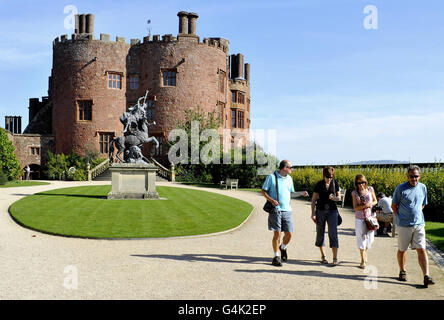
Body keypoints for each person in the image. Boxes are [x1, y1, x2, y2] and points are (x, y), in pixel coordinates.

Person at [391, 165, 435, 288]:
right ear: (407, 176)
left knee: (422, 249)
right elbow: (394, 205)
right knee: (402, 249)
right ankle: (402, 271)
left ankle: (426, 276)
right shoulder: (400, 188)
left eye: (416, 176)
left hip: (419, 224)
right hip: (404, 225)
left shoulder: (423, 187)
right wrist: (401, 217)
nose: (414, 178)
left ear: (419, 176)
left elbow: (423, 204)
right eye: (411, 176)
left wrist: (416, 214)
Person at [261, 160, 309, 267]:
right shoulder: (271, 177)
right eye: (290, 167)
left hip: (287, 210)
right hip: (275, 210)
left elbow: (290, 194)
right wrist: (271, 200)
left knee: (289, 233)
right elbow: (263, 191)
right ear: (284, 168)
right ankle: (276, 256)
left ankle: (283, 247)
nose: (292, 169)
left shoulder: (289, 179)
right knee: (277, 234)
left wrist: (301, 193)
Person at [311, 166, 341, 266]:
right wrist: (313, 213)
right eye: (328, 176)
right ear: (324, 175)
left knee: (333, 233)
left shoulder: (335, 183)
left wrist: (334, 198)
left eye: (331, 176)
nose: (329, 178)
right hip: (320, 211)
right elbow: (313, 200)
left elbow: (339, 198)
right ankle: (323, 256)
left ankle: (335, 258)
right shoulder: (319, 184)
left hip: (332, 211)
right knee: (320, 233)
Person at [351, 174, 378, 269]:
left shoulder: (370, 189)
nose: (361, 184)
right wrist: (364, 206)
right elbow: (355, 207)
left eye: (362, 182)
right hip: (360, 219)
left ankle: (365, 253)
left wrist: (370, 204)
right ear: (356, 183)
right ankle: (362, 260)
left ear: (365, 182)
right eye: (359, 183)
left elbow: (375, 201)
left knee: (370, 239)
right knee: (361, 238)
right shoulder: (354, 193)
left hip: (370, 218)